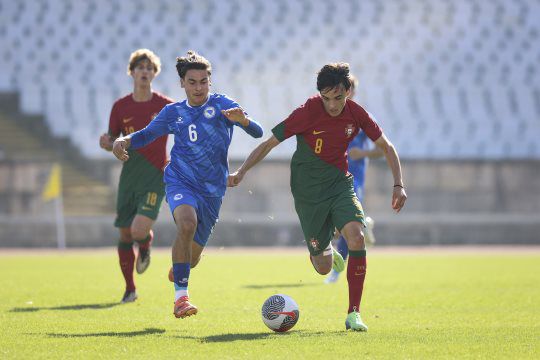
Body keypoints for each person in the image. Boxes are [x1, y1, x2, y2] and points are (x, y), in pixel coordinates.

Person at [228, 63, 407, 331]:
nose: (332, 105)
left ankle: (354, 314)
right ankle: (325, 249)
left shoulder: (357, 114)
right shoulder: (307, 112)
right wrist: (242, 171)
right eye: (326, 98)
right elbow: (268, 144)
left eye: (338, 97)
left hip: (339, 184)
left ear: (348, 91)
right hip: (307, 192)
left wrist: (398, 185)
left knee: (357, 237)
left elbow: (387, 146)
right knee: (323, 267)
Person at [112, 50, 263, 318]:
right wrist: (123, 141)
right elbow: (147, 135)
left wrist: (244, 121)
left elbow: (258, 132)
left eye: (203, 81)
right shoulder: (173, 112)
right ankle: (181, 299)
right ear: (182, 83)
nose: (198, 87)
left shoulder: (222, 104)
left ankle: (180, 266)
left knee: (191, 258)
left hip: (213, 190)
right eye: (192, 82)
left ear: (210, 82)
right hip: (180, 180)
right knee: (186, 224)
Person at [99, 49, 173, 304]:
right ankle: (130, 289)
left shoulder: (165, 106)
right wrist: (106, 143)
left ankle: (146, 244)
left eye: (149, 68)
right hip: (129, 176)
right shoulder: (120, 107)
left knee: (138, 229)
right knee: (124, 234)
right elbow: (113, 142)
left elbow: (185, 132)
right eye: (140, 67)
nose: (145, 71)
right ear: (131, 72)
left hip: (155, 175)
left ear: (155, 73)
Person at [325, 74, 383, 284]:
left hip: (353, 178)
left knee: (346, 224)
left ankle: (336, 273)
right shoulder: (328, 115)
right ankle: (363, 223)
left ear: (353, 92)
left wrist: (363, 153)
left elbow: (382, 150)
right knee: (334, 226)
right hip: (330, 177)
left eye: (348, 90)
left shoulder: (362, 117)